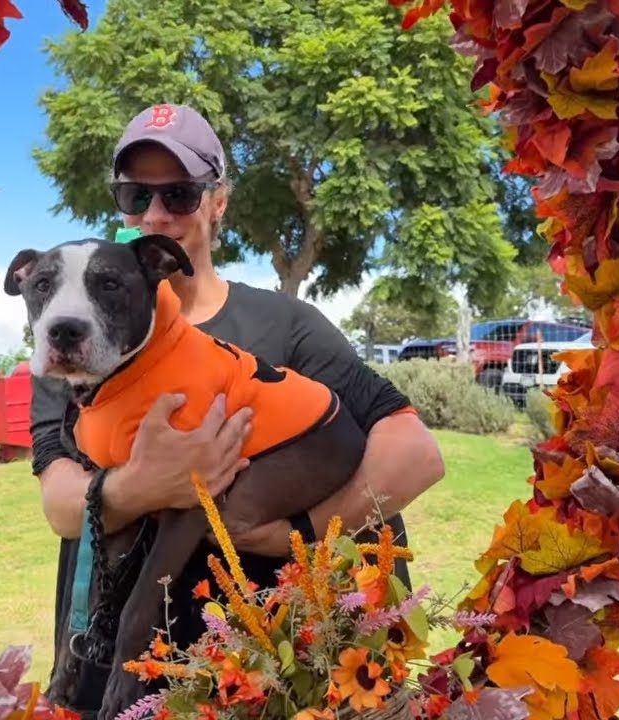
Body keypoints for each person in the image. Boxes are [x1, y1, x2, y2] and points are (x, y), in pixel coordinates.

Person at [28, 103, 446, 718]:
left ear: (218, 200)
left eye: (179, 194)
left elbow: (415, 453)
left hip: (273, 669)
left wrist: (295, 534)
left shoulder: (285, 324)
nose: (155, 214)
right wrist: (143, 485)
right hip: (117, 671)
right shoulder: (81, 346)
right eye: (136, 194)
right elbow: (61, 506)